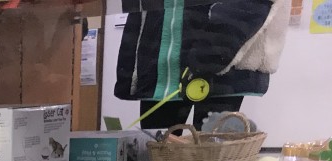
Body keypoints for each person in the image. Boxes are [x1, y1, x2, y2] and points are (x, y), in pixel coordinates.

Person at [115, 0, 290, 130]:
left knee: (212, 156)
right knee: (156, 154)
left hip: (222, 62)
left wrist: (214, 50)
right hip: (156, 60)